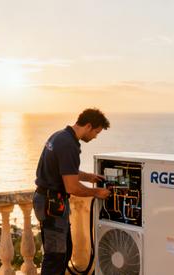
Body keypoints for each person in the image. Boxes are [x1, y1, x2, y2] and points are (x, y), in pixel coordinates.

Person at [33, 108, 112, 275]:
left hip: (46, 200)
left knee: (64, 251)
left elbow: (65, 170)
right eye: (96, 132)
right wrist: (97, 192)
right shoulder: (69, 145)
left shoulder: (59, 136)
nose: (95, 137)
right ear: (88, 126)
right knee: (56, 257)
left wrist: (88, 177)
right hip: (52, 205)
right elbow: (72, 187)